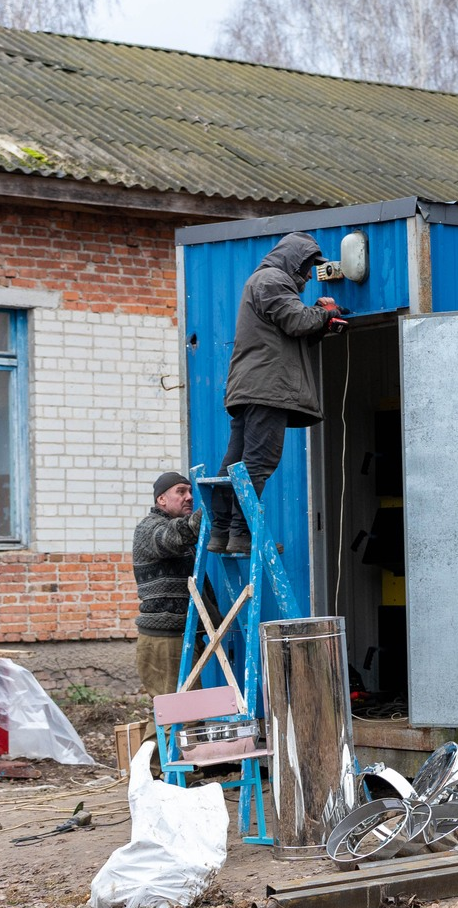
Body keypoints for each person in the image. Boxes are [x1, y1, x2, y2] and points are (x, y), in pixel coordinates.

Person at [211, 232, 346, 556]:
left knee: (236, 464)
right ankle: (242, 534)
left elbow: (289, 334)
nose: (309, 275)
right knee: (258, 462)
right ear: (294, 260)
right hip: (266, 388)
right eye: (307, 267)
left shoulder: (263, 282)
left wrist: (321, 324)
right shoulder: (272, 280)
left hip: (252, 387)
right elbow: (297, 320)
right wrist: (326, 313)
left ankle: (219, 532)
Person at [133, 471, 201, 696]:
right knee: (183, 716)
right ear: (161, 499)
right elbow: (171, 537)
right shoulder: (149, 528)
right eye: (181, 492)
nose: (189, 497)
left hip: (177, 635)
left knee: (167, 718)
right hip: (165, 638)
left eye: (190, 491)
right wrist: (211, 513)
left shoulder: (175, 530)